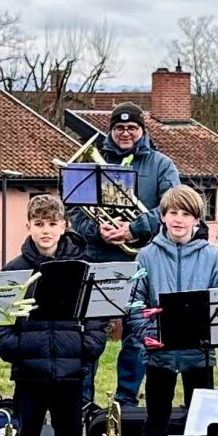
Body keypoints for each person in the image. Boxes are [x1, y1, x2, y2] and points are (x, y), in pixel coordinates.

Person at [0, 194, 108, 436]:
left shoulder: (82, 269)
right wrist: (20, 350)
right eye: (39, 224)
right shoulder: (14, 271)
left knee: (68, 435)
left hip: (70, 370)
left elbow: (99, 317)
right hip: (30, 372)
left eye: (52, 224)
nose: (46, 231)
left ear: (63, 226)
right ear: (28, 226)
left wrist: (86, 348)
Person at [73, 104, 181, 412]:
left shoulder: (162, 165)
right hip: (98, 258)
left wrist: (133, 229)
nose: (125, 133)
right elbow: (74, 208)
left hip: (141, 260)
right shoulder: (94, 163)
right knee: (90, 333)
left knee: (137, 333)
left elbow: (171, 209)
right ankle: (83, 402)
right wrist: (98, 229)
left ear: (142, 130)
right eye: (119, 128)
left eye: (132, 127)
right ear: (110, 130)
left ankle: (126, 400)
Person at [134, 185, 218, 436]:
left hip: (198, 353)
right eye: (173, 213)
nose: (179, 220)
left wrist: (212, 332)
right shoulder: (146, 255)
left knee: (205, 423)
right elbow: (134, 304)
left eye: (186, 214)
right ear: (163, 217)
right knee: (155, 423)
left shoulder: (211, 256)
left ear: (196, 220)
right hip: (160, 354)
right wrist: (148, 334)